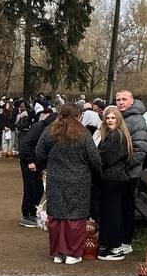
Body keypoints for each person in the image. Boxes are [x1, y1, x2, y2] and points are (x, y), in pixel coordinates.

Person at [35, 102, 103, 264]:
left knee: (57, 216)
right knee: (75, 218)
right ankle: (72, 254)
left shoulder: (50, 130)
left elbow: (39, 152)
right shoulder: (83, 133)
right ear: (78, 115)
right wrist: (98, 171)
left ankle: (58, 253)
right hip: (78, 180)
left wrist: (49, 164)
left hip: (56, 179)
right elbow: (94, 158)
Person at [95, 106, 133, 260]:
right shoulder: (119, 134)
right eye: (107, 118)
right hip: (115, 177)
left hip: (111, 178)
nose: (110, 120)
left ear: (118, 119)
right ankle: (113, 244)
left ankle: (111, 246)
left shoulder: (115, 136)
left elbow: (106, 158)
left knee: (110, 214)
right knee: (113, 213)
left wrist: (95, 156)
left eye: (113, 118)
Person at [114, 91, 147, 254]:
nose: (120, 102)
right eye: (118, 100)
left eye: (124, 99)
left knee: (126, 207)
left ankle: (126, 241)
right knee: (117, 207)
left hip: (129, 173)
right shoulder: (118, 117)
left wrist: (122, 167)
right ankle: (117, 238)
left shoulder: (136, 119)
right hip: (116, 172)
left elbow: (140, 150)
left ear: (131, 101)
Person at [18, 107, 55, 227]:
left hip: (39, 164)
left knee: (39, 189)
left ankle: (32, 212)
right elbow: (25, 144)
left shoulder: (49, 131)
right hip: (29, 162)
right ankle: (26, 214)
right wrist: (29, 161)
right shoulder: (39, 127)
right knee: (30, 188)